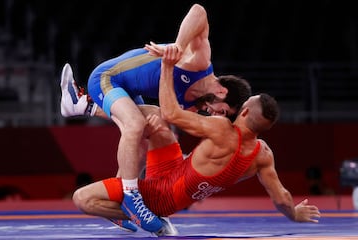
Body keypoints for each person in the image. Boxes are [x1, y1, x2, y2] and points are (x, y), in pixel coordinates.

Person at [72, 44, 321, 237]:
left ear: (244, 112)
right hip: (174, 172)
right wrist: (295, 214)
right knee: (155, 124)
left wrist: (168, 65)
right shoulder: (263, 154)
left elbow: (171, 113)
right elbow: (281, 198)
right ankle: (85, 105)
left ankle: (140, 215)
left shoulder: (223, 130)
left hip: (160, 197)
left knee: (82, 199)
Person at [60, 3, 252, 233]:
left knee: (145, 135)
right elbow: (199, 11)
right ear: (222, 92)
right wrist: (179, 47)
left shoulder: (192, 107)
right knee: (135, 125)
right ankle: (131, 196)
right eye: (221, 111)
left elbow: (167, 123)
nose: (214, 115)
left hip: (130, 93)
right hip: (107, 78)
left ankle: (83, 106)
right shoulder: (198, 61)